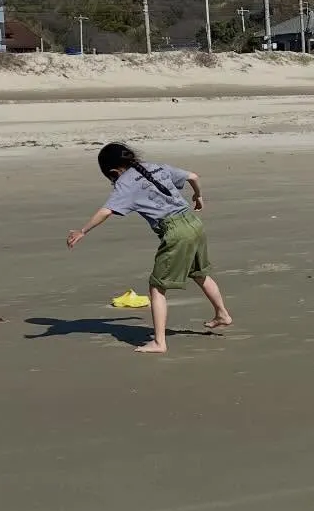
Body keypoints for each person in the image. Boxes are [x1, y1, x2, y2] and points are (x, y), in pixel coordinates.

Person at [66, 142, 232, 354]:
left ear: (112, 171)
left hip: (175, 231)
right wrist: (198, 196)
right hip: (194, 223)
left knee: (157, 286)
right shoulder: (155, 166)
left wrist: (82, 231)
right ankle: (222, 314)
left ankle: (160, 342)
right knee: (199, 273)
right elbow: (193, 176)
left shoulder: (124, 183)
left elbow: (107, 211)